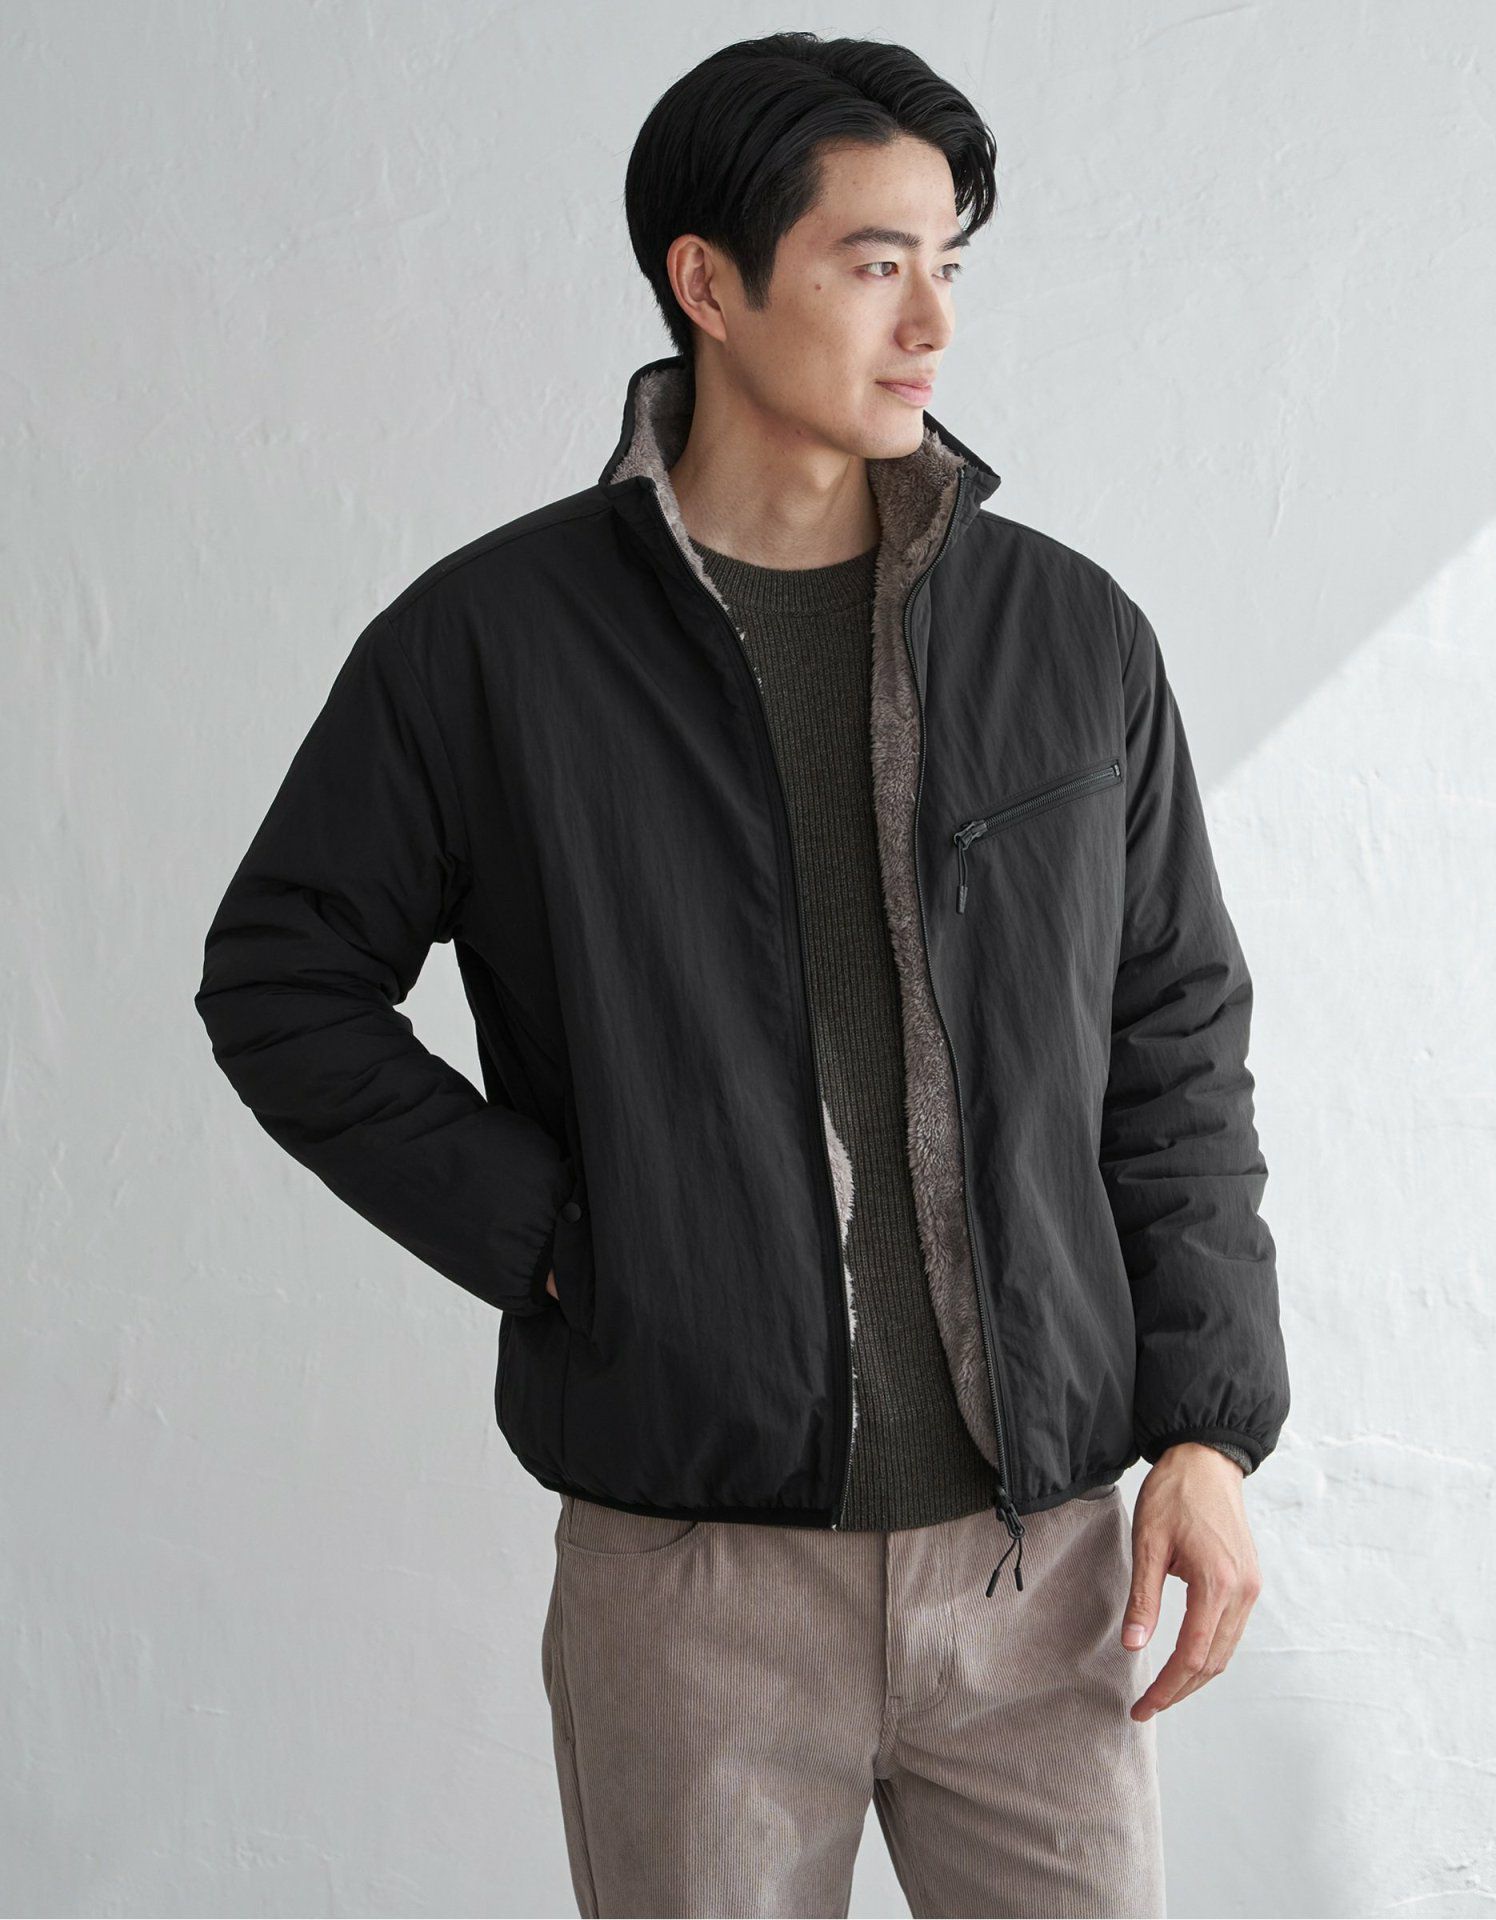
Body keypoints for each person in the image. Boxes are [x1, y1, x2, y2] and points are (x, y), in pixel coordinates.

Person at [195, 29, 1290, 1919]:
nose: (933, 321)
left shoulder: (1070, 636)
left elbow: (1173, 1038)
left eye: (950, 261)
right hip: (693, 1586)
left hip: (1041, 1575)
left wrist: (1207, 1430)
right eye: (875, 262)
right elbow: (283, 978)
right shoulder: (495, 646)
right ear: (707, 283)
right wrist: (567, 1235)